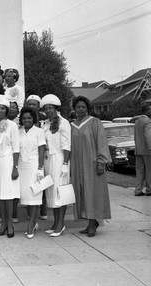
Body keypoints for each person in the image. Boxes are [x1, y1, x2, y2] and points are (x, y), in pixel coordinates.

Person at [70, 96, 111, 237]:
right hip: (77, 165)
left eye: (83, 107)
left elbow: (101, 142)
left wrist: (101, 161)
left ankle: (93, 222)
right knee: (82, 193)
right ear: (74, 109)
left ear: (87, 108)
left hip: (92, 164)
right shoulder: (72, 125)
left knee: (93, 192)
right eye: (78, 107)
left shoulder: (95, 123)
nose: (80, 109)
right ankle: (90, 222)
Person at [0, 95, 20, 238]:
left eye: (2, 108)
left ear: (6, 110)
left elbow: (16, 148)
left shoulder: (12, 125)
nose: (0, 111)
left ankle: (10, 224)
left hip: (8, 161)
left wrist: (15, 167)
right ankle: (3, 224)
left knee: (9, 194)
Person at [41, 94, 71, 237]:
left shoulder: (63, 123)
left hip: (59, 159)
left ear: (56, 108)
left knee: (60, 192)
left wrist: (65, 163)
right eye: (46, 109)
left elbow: (66, 144)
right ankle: (55, 222)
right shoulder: (46, 123)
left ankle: (61, 224)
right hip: (48, 159)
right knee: (51, 192)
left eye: (51, 108)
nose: (48, 111)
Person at [18, 107, 46, 238]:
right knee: (26, 197)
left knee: (34, 196)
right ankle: (33, 222)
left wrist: (40, 168)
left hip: (34, 167)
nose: (26, 120)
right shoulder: (19, 132)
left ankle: (31, 225)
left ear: (33, 119)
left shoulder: (39, 132)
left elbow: (41, 150)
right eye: (24, 118)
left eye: (29, 118)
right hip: (22, 167)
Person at [26, 94, 48, 220]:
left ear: (39, 106)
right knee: (32, 184)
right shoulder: (25, 119)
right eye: (29, 104)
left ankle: (43, 208)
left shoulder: (45, 118)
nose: (32, 106)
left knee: (43, 183)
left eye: (34, 104)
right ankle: (31, 212)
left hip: (46, 153)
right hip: (32, 155)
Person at [134, 104, 151, 196]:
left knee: (139, 171)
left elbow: (136, 136)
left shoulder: (137, 121)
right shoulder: (147, 121)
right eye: (150, 110)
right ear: (146, 111)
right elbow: (147, 135)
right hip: (147, 150)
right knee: (149, 170)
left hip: (138, 149)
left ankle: (138, 190)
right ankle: (150, 189)